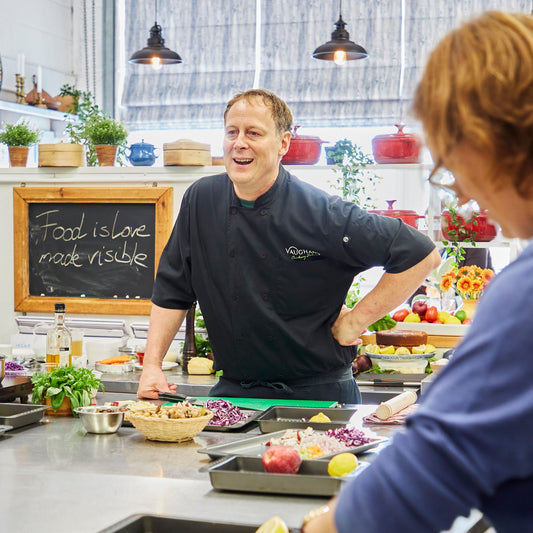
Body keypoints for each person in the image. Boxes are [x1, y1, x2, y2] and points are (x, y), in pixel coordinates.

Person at [303, 11, 533, 533]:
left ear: (489, 138)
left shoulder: (524, 295)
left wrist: (316, 527)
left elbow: (415, 488)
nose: (465, 195)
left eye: (452, 162)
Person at [137, 88, 440, 404]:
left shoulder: (320, 212)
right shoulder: (201, 200)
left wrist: (356, 321)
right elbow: (173, 290)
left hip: (319, 396)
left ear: (283, 143)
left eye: (254, 133)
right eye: (232, 132)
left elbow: (420, 253)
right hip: (233, 394)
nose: (239, 143)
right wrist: (152, 366)